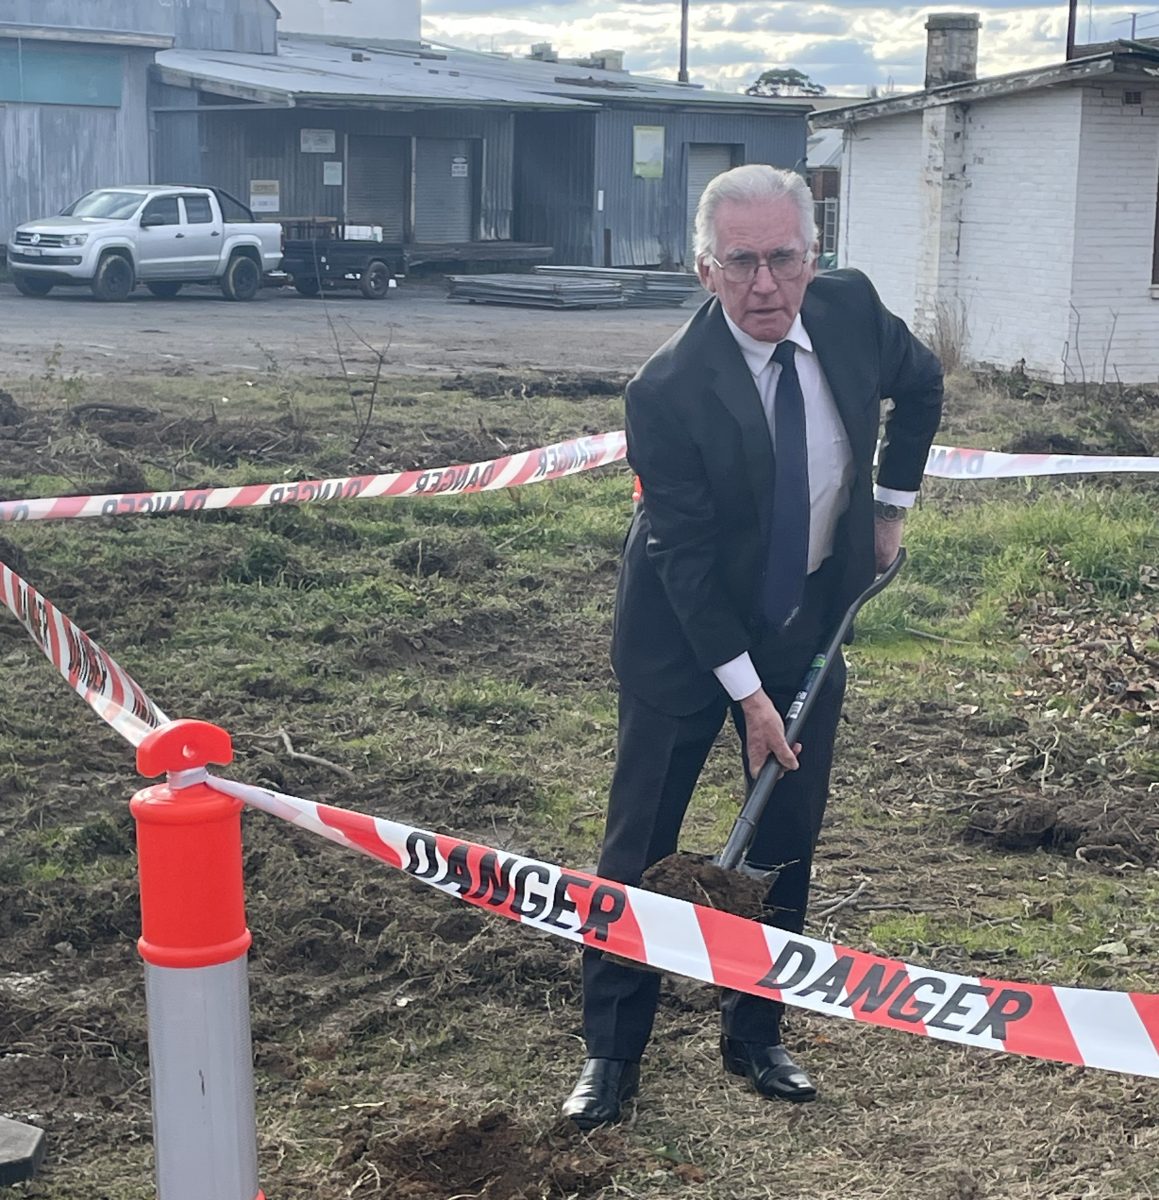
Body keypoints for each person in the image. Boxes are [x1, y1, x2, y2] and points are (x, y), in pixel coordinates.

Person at [561, 164, 943, 1127]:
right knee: (639, 844)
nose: (764, 285)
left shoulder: (850, 311)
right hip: (681, 641)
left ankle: (756, 1028)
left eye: (782, 259)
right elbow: (682, 558)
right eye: (741, 263)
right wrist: (746, 693)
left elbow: (922, 383)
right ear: (704, 269)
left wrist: (890, 506)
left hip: (806, 620)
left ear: (814, 259)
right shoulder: (667, 391)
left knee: (783, 833)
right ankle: (612, 1050)